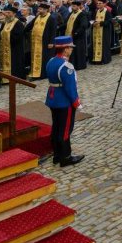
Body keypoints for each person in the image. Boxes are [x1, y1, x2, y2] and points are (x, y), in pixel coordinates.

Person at [45, 35, 83, 166]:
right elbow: (70, 87)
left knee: (56, 127)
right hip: (64, 101)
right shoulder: (66, 66)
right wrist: (76, 102)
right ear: (65, 49)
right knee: (65, 129)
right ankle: (65, 157)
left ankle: (57, 155)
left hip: (53, 98)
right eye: (70, 48)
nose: (71, 50)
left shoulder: (51, 61)